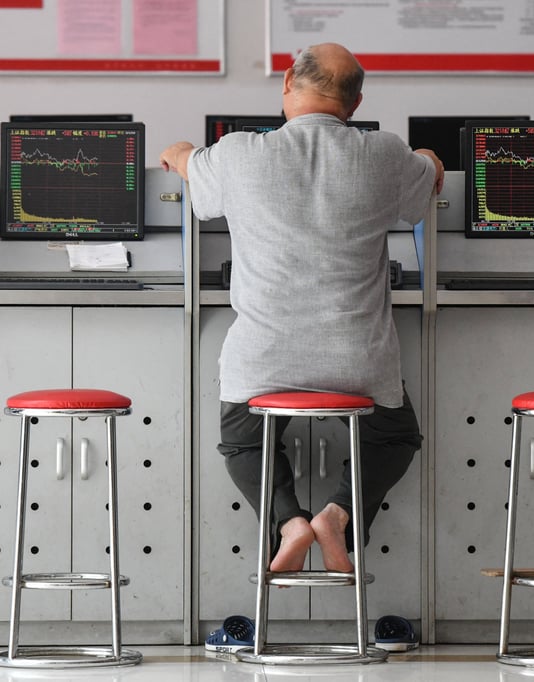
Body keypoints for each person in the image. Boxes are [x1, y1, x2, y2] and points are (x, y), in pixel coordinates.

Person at [160, 42, 443, 574]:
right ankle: (337, 514)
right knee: (396, 433)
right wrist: (429, 158)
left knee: (241, 441)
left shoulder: (238, 152)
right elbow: (424, 181)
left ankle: (289, 522)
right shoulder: (384, 153)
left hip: (262, 360)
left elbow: (190, 174)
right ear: (355, 104)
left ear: (288, 82)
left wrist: (179, 153)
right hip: (357, 362)